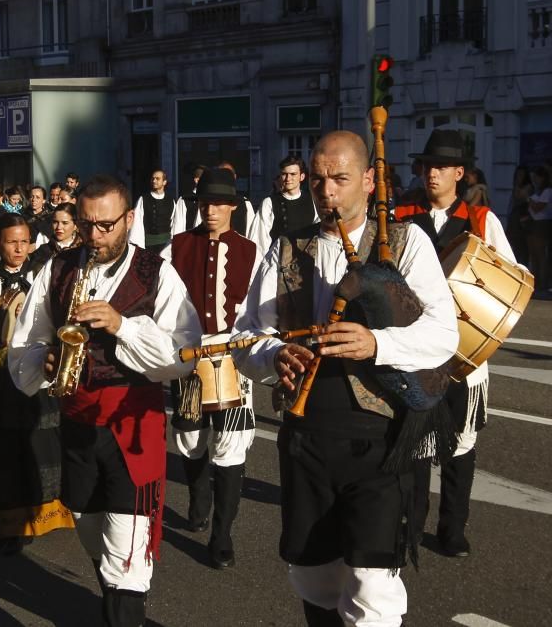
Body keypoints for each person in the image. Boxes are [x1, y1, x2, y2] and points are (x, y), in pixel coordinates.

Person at [232, 131, 458, 626]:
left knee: (373, 588)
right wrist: (274, 355)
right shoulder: (287, 247)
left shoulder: (405, 240)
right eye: (318, 179)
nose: (327, 192)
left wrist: (378, 344)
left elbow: (445, 334)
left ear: (369, 180)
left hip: (381, 438)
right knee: (315, 577)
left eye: (340, 179)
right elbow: (245, 335)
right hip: (307, 436)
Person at [8, 175, 200, 626]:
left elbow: (182, 354)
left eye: (107, 226)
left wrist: (122, 325)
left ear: (129, 220)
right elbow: (25, 345)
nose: (94, 237)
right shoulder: (57, 269)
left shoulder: (158, 272)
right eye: (86, 224)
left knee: (127, 558)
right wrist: (47, 361)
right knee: (94, 536)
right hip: (76, 425)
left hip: (134, 429)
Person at [394, 129, 519, 559]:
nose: (431, 173)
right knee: (414, 441)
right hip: (417, 344)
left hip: (465, 353)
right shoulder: (401, 214)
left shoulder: (483, 220)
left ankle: (452, 528)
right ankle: (411, 522)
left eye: (441, 167)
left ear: (459, 173)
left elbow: (509, 279)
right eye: (427, 165)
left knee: (461, 443)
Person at [0, 213, 75, 555]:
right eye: (11, 241)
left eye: (24, 241)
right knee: (2, 452)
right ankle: (7, 524)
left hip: (35, 373)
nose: (18, 248)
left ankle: (40, 514)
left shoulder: (42, 279)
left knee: (39, 447)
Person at [165, 167, 261, 569]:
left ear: (233, 207)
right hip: (189, 355)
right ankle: (198, 497)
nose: (211, 210)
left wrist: (249, 340)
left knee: (230, 443)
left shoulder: (251, 250)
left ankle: (222, 535)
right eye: (205, 203)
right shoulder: (178, 246)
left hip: (232, 356)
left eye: (220, 203)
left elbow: (261, 305)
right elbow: (165, 301)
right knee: (189, 437)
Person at [248, 155, 319, 257]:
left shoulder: (313, 200)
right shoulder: (269, 203)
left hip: (308, 260)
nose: (288, 178)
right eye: (284, 174)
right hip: (278, 262)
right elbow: (259, 241)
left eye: (293, 174)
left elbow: (320, 233)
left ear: (302, 176)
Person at [129, 169, 175, 254]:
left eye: (157, 179)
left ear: (164, 182)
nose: (154, 181)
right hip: (148, 246)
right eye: (152, 178)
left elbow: (173, 224)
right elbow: (137, 224)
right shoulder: (143, 199)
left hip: (166, 247)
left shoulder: (171, 201)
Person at [29, 202, 82, 275]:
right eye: (55, 222)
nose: (59, 227)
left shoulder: (83, 251)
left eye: (65, 223)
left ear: (75, 225)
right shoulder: (43, 251)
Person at [526, 166, 552, 295]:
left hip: (542, 224)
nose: (535, 180)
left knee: (541, 254)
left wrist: (529, 200)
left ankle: (542, 283)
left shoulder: (547, 191)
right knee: (534, 254)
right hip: (533, 223)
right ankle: (535, 282)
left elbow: (538, 208)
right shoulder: (538, 191)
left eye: (537, 177)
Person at [507, 165, 532, 264]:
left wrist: (517, 186)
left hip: (523, 219)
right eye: (517, 175)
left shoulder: (528, 187)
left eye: (521, 175)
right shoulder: (515, 187)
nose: (519, 177)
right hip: (515, 217)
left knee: (523, 248)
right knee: (515, 246)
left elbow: (520, 197)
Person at [173, 164, 206, 237]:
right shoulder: (184, 199)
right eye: (206, 179)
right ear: (197, 180)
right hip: (190, 241)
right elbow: (178, 225)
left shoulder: (210, 198)